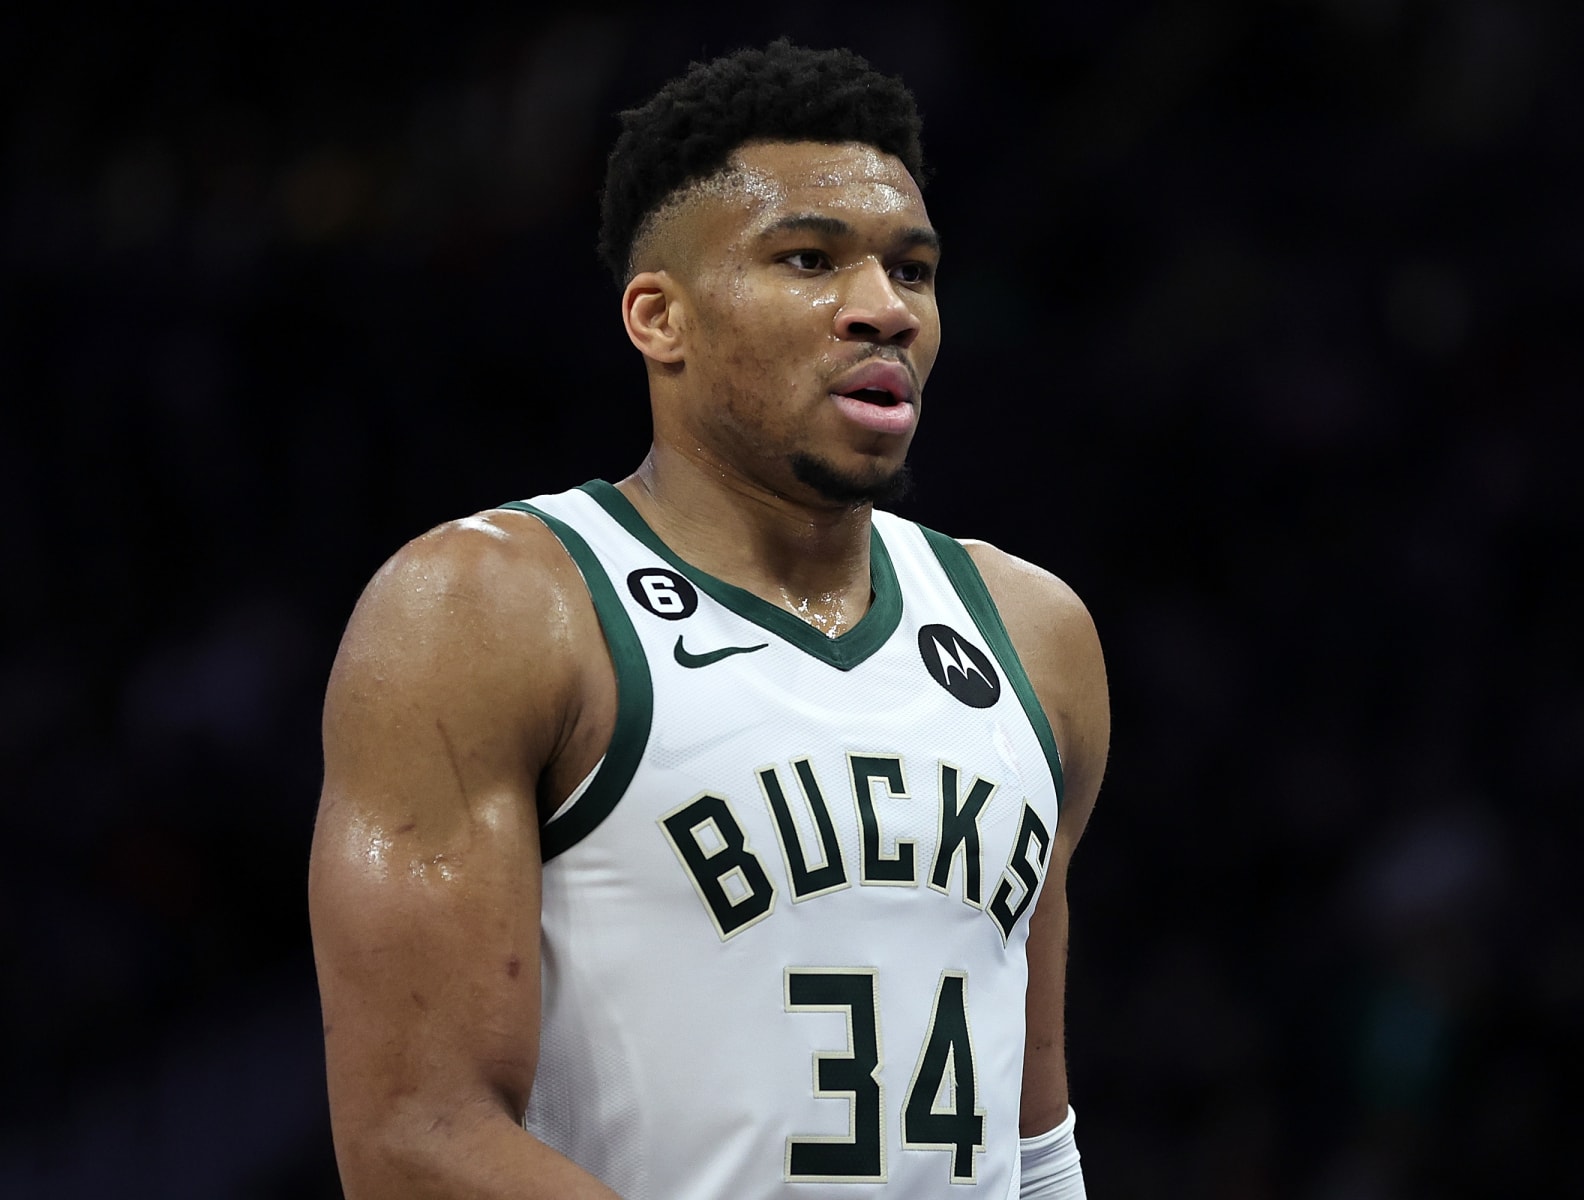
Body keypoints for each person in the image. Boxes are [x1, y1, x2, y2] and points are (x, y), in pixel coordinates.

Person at [308, 40, 1107, 1199]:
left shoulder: (1035, 633)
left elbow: (1034, 1146)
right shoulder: (490, 609)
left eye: (914, 271)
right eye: (807, 259)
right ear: (658, 319)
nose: (882, 309)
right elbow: (414, 1138)